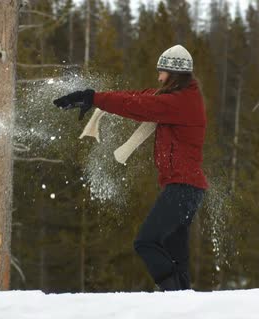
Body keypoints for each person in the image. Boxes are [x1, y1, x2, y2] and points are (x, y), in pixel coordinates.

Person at [53, 45, 208, 291]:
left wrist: (94, 98)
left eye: (162, 72)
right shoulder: (178, 99)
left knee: (146, 242)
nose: (159, 77)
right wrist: (94, 97)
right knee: (177, 256)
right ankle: (182, 305)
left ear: (174, 74)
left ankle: (172, 294)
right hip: (186, 188)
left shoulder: (179, 103)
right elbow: (135, 97)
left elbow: (137, 106)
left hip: (183, 187)